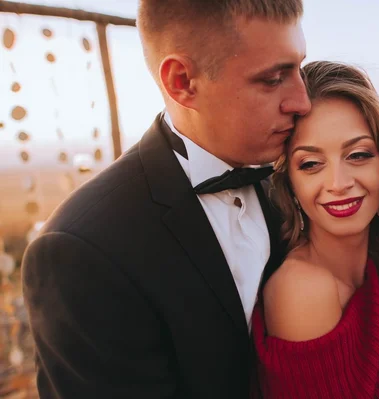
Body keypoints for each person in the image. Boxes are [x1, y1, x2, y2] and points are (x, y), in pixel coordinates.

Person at [21, 1, 310, 398]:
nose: (302, 101)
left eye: (300, 69)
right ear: (182, 81)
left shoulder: (299, 178)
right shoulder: (80, 251)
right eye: (273, 79)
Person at [251, 61, 379, 398]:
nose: (338, 183)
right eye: (311, 164)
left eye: (357, 154)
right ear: (290, 184)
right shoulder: (304, 291)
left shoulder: (376, 265)